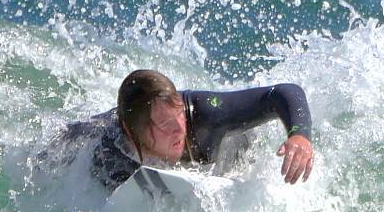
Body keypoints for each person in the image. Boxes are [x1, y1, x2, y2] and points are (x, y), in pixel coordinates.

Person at [57, 69, 316, 191]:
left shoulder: (206, 114)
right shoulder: (111, 149)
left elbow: (284, 92)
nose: (178, 130)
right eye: (165, 126)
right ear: (132, 132)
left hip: (240, 154)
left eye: (177, 116)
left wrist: (299, 135)